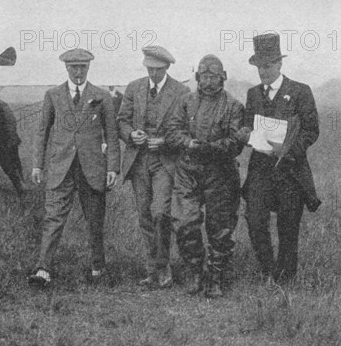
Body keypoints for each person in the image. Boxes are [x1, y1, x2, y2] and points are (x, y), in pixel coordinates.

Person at [28, 48, 120, 287]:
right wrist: (37, 164)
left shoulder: (102, 96)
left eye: (83, 67)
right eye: (73, 67)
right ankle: (43, 269)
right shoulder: (53, 95)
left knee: (95, 220)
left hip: (92, 169)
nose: (78, 72)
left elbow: (111, 134)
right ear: (66, 68)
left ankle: (98, 268)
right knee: (53, 218)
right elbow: (42, 131)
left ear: (88, 67)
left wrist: (113, 168)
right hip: (61, 168)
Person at [237, 33, 321, 285]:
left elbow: (311, 130)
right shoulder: (253, 94)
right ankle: (267, 271)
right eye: (259, 67)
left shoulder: (299, 91)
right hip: (260, 170)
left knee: (288, 226)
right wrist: (244, 135)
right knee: (255, 220)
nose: (263, 71)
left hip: (290, 171)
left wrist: (288, 148)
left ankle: (286, 278)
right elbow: (247, 126)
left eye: (268, 66)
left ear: (279, 64)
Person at [166, 55, 244, 298]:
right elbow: (172, 131)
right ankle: (195, 271)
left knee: (220, 227)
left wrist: (212, 148)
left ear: (222, 78)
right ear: (197, 77)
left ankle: (216, 276)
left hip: (220, 172)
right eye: (204, 76)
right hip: (188, 170)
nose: (208, 82)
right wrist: (188, 142)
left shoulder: (234, 106)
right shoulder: (185, 102)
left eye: (213, 77)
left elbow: (236, 141)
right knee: (183, 222)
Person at [117, 46, 189, 288]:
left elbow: (187, 130)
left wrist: (166, 142)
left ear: (167, 67)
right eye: (149, 68)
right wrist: (130, 134)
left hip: (164, 163)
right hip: (138, 161)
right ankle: (152, 270)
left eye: (158, 69)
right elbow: (122, 121)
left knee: (160, 212)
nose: (153, 74)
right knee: (145, 216)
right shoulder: (134, 87)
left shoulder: (181, 91)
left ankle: (163, 266)